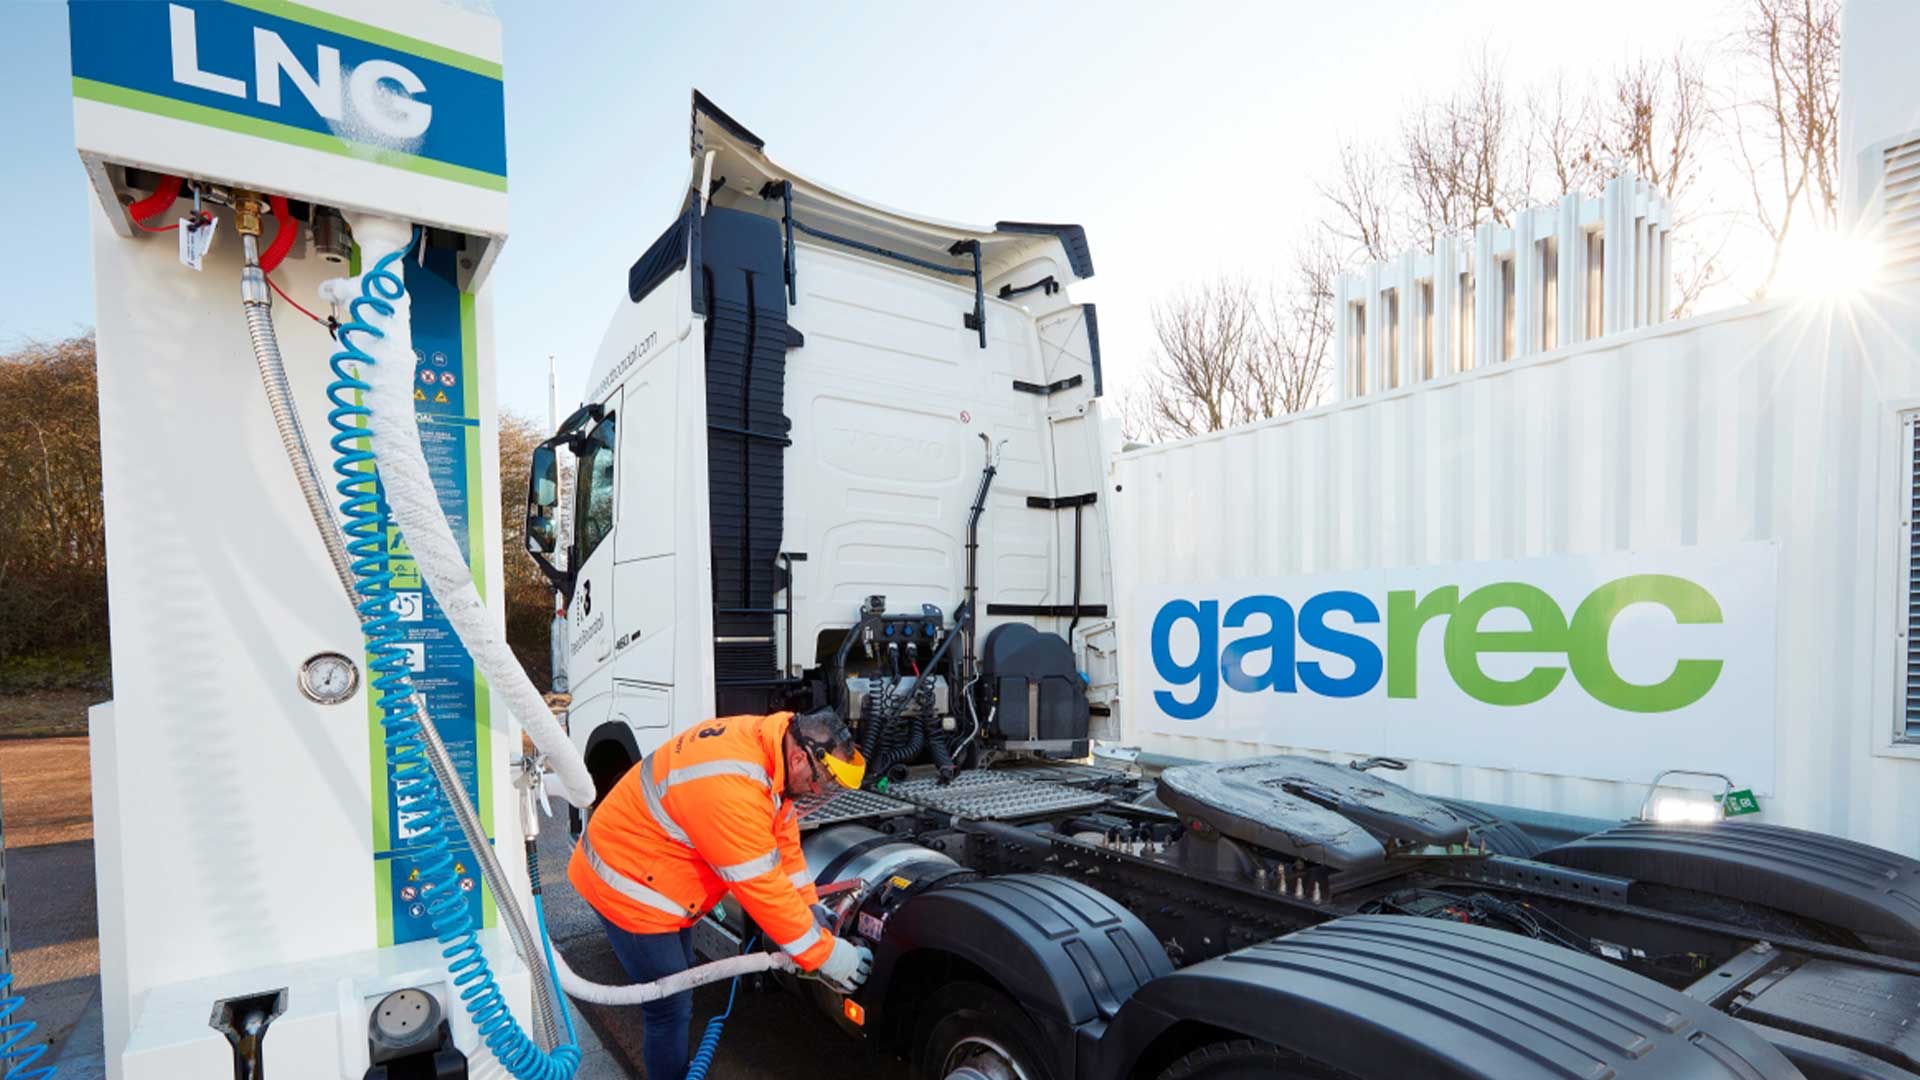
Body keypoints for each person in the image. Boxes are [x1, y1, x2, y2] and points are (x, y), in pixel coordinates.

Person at [568, 708, 873, 1078]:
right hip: (626, 887)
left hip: (654, 875)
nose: (816, 790)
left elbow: (785, 845)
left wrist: (809, 906)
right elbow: (764, 891)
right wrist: (828, 957)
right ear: (798, 757)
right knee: (670, 1003)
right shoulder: (734, 788)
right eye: (820, 780)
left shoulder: (768, 751)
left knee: (679, 987)